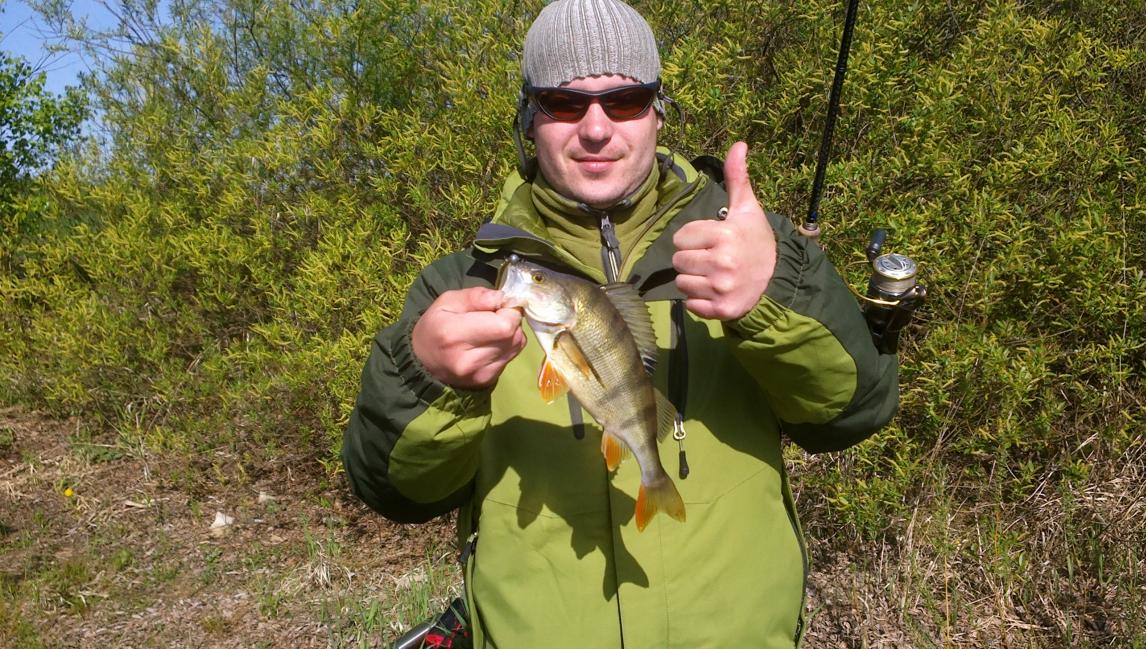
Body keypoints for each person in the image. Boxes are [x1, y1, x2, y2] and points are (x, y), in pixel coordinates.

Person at [342, 0, 899, 646]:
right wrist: (428, 379)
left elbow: (856, 411)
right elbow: (391, 490)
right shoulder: (463, 286)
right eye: (564, 103)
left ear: (659, 112)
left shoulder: (742, 252)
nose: (596, 128)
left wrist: (776, 291)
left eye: (625, 100)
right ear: (528, 120)